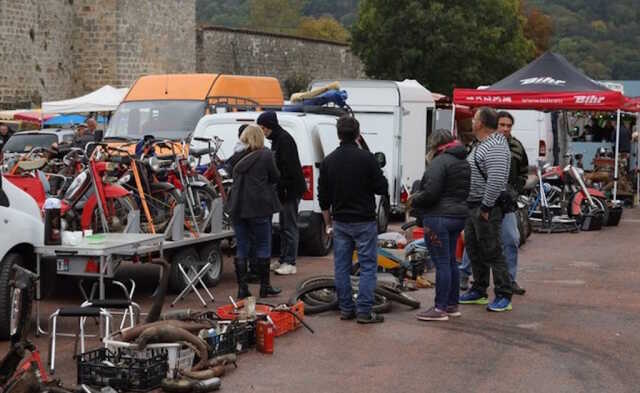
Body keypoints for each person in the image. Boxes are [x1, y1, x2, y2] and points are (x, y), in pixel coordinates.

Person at [318, 115, 388, 324]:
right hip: (364, 220)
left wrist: (328, 222)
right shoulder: (367, 159)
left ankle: (346, 308)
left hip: (340, 221)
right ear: (358, 134)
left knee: (341, 266)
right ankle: (365, 311)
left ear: (338, 134)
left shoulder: (329, 161)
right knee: (367, 266)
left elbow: (323, 198)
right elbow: (381, 188)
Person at [410, 129, 470, 321]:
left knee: (441, 263)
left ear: (435, 145)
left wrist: (414, 199)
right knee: (452, 261)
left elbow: (431, 193)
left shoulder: (439, 162)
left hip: (438, 217)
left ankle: (439, 308)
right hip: (458, 216)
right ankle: (452, 305)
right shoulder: (463, 161)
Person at [459, 107, 513, 312]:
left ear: (480, 123)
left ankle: (503, 294)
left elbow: (496, 179)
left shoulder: (496, 146)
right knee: (474, 248)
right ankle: (479, 289)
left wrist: (486, 206)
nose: (472, 122)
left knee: (492, 250)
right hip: (474, 205)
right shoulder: (482, 144)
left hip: (485, 207)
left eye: (474, 119)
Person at [228, 125, 282, 299]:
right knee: (263, 245)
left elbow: (229, 173)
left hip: (238, 206)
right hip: (259, 206)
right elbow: (275, 177)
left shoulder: (235, 157)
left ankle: (242, 289)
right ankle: (265, 287)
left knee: (242, 246)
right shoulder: (266, 155)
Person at [257, 111, 306, 276]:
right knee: (285, 226)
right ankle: (283, 258)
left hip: (290, 190)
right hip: (286, 189)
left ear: (269, 126)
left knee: (289, 226)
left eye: (263, 127)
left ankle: (290, 261)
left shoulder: (284, 140)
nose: (262, 131)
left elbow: (288, 168)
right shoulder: (278, 139)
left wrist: (283, 188)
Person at [497, 111, 529, 295]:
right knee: (477, 241)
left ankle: (510, 280)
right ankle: (466, 278)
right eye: (502, 125)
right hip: (485, 201)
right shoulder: (484, 144)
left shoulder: (517, 146)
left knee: (511, 239)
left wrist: (516, 189)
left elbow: (524, 170)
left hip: (508, 203)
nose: (505, 129)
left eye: (508, 126)